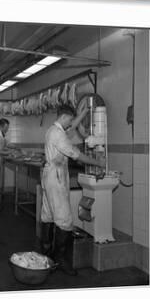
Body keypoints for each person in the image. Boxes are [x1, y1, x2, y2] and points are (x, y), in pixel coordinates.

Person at [40, 104, 105, 275]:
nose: (71, 123)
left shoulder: (53, 130)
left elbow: (70, 128)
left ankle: (47, 252)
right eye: (69, 119)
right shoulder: (58, 134)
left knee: (48, 215)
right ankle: (60, 259)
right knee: (64, 219)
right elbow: (75, 154)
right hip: (56, 177)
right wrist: (97, 162)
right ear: (63, 117)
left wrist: (83, 113)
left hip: (50, 175)